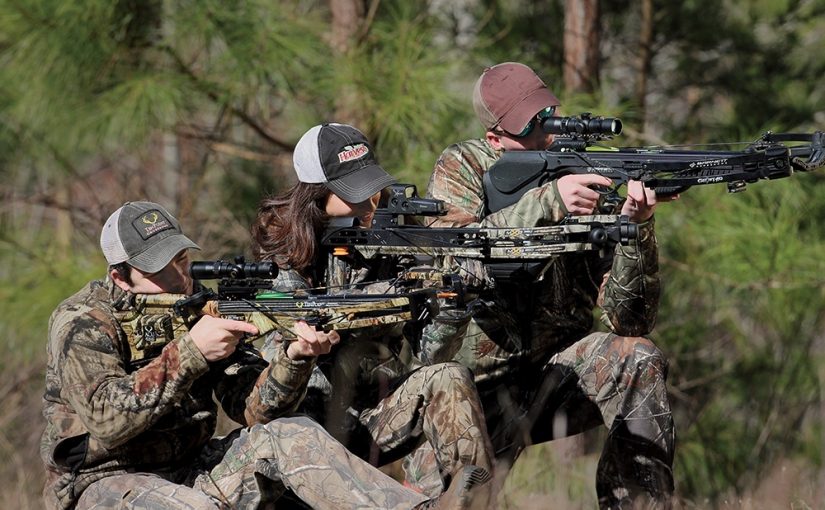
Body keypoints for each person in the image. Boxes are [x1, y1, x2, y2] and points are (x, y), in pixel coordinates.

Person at [41, 200, 484, 510]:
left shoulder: (199, 306)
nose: (179, 277)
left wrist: (294, 357)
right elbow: (106, 419)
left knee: (289, 433)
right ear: (120, 276)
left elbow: (254, 410)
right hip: (104, 485)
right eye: (159, 269)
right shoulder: (82, 322)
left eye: (179, 258)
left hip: (193, 467)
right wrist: (191, 352)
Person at [407, 62, 676, 509]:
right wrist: (549, 202)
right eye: (529, 125)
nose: (545, 131)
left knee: (638, 357)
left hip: (558, 377)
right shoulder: (464, 166)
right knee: (457, 502)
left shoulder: (584, 171)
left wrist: (635, 228)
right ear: (495, 139)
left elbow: (630, 320)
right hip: (474, 394)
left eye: (547, 113)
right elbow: (457, 253)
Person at [250, 123, 495, 503]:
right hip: (307, 433)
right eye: (354, 193)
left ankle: (471, 499)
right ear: (315, 195)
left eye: (372, 187)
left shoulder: (392, 239)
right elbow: (268, 403)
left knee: (448, 376)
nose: (371, 203)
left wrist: (452, 304)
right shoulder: (281, 258)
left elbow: (431, 355)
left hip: (377, 415)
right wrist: (300, 352)